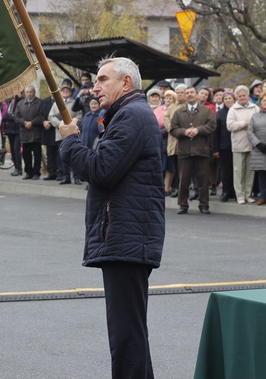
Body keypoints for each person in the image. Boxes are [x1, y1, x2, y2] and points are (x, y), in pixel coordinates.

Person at [58, 57, 164, 379]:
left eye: (103, 79)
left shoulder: (132, 115)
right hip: (125, 235)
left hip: (126, 237)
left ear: (126, 83)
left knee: (126, 338)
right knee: (131, 335)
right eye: (95, 80)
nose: (95, 86)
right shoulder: (129, 114)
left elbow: (101, 170)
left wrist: (69, 142)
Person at [170, 86, 217, 214]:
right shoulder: (179, 112)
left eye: (192, 92)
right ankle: (183, 205)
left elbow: (212, 126)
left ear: (197, 95)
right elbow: (173, 129)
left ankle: (204, 205)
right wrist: (184, 132)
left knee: (203, 180)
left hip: (201, 150)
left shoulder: (206, 111)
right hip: (184, 151)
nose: (189, 95)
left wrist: (198, 130)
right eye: (187, 93)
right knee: (183, 180)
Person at [227, 85, 260, 204]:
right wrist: (243, 124)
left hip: (252, 143)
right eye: (240, 96)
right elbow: (230, 126)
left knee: (250, 171)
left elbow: (259, 123)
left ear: (248, 96)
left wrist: (250, 125)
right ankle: (240, 195)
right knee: (238, 171)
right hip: (238, 144)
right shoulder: (233, 109)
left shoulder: (255, 108)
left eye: (244, 95)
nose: (242, 98)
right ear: (236, 97)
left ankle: (248, 194)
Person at [49, 84, 82, 184]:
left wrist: (72, 124)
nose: (65, 92)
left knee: (75, 155)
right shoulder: (56, 104)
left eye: (68, 90)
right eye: (63, 90)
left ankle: (76, 177)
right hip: (61, 134)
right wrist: (60, 124)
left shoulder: (75, 102)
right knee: (63, 156)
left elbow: (80, 116)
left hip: (73, 133)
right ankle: (66, 176)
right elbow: (51, 116)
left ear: (71, 92)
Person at [14, 85, 44, 180]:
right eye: (27, 92)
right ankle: (28, 172)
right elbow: (16, 117)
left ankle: (36, 173)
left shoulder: (40, 103)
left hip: (36, 132)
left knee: (37, 154)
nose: (29, 94)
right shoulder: (20, 104)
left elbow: (42, 116)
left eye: (31, 92)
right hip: (24, 133)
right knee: (26, 154)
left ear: (34, 92)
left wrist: (32, 122)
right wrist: (24, 123)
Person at [212, 90, 236, 202]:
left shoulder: (237, 111)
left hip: (238, 145)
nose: (227, 100)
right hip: (224, 146)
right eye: (225, 99)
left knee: (237, 170)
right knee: (226, 171)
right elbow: (215, 132)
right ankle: (226, 191)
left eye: (229, 98)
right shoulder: (220, 113)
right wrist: (215, 149)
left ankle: (236, 192)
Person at [163, 90, 181, 198]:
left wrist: (176, 131)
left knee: (178, 167)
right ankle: (173, 187)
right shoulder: (166, 109)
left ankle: (176, 187)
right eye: (166, 98)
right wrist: (172, 130)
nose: (168, 100)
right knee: (172, 165)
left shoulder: (178, 107)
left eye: (170, 98)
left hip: (179, 140)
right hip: (170, 140)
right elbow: (165, 120)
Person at [3, 94, 23, 176]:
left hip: (18, 130)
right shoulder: (9, 101)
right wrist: (12, 116)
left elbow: (17, 116)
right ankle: (15, 167)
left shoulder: (21, 101)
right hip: (9, 130)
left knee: (16, 149)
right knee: (12, 150)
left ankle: (19, 168)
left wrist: (12, 116)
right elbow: (6, 115)